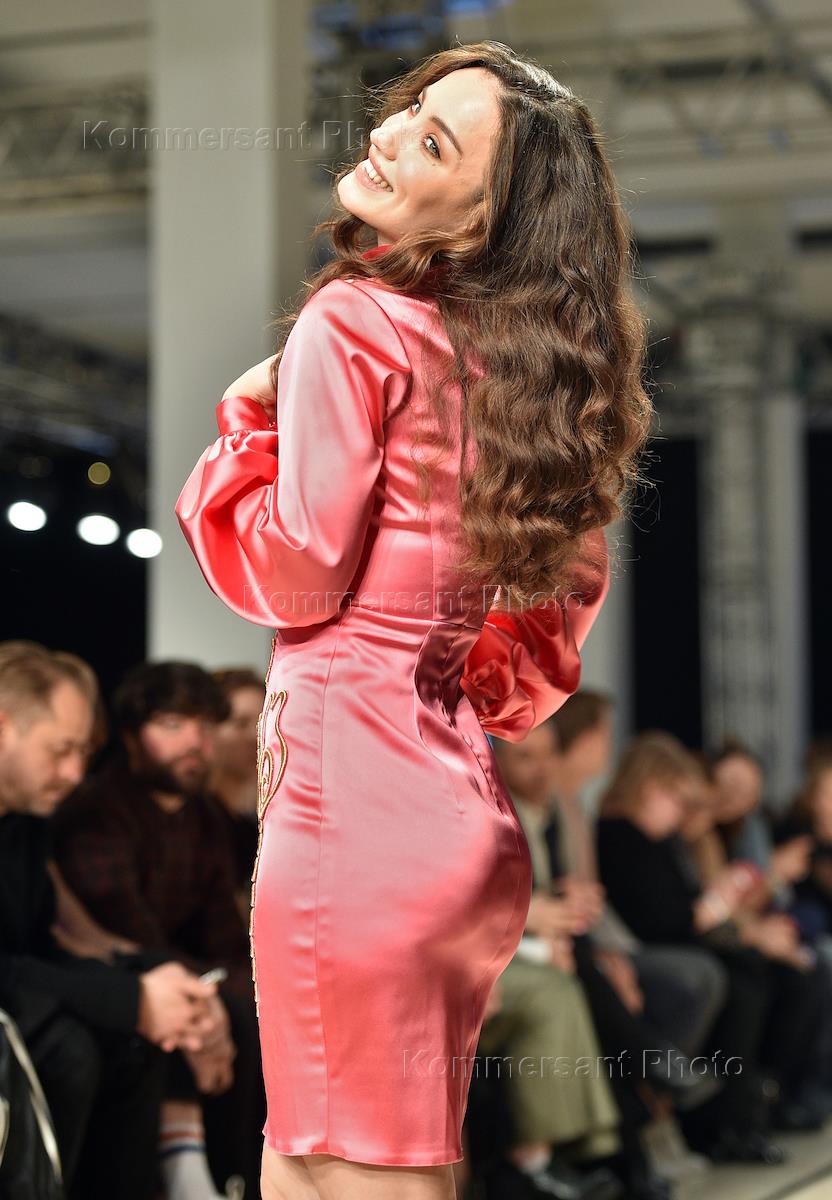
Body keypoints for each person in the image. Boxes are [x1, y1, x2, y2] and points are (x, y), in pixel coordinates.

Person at [175, 39, 652, 1200]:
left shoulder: (355, 322)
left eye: (433, 141)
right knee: (331, 1170)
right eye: (410, 110)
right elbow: (524, 675)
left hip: (350, 824)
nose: (387, 134)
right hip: (457, 832)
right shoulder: (520, 388)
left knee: (330, 1171)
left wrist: (243, 431)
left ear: (483, 216)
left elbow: (295, 578)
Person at [0, 640, 218, 1200]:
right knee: (69, 1047)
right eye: (61, 750)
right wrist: (132, 999)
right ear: (3, 728)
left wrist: (151, 982)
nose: (75, 773)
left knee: (139, 1042)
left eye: (82, 752)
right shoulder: (78, 816)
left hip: (25, 993)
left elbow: (47, 947)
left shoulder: (26, 824)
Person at [51, 660, 265, 1200]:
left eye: (205, 726)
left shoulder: (205, 818)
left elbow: (223, 934)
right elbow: (128, 934)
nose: (195, 742)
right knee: (214, 1008)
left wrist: (229, 989)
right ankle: (196, 1169)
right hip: (109, 974)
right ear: (131, 737)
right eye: (172, 724)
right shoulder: (96, 811)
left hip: (181, 975)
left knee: (260, 1002)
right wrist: (206, 1001)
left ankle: (242, 1177)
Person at [208, 667, 265, 917]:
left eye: (263, 723)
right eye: (240, 724)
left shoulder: (262, 822)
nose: (256, 736)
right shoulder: (197, 820)